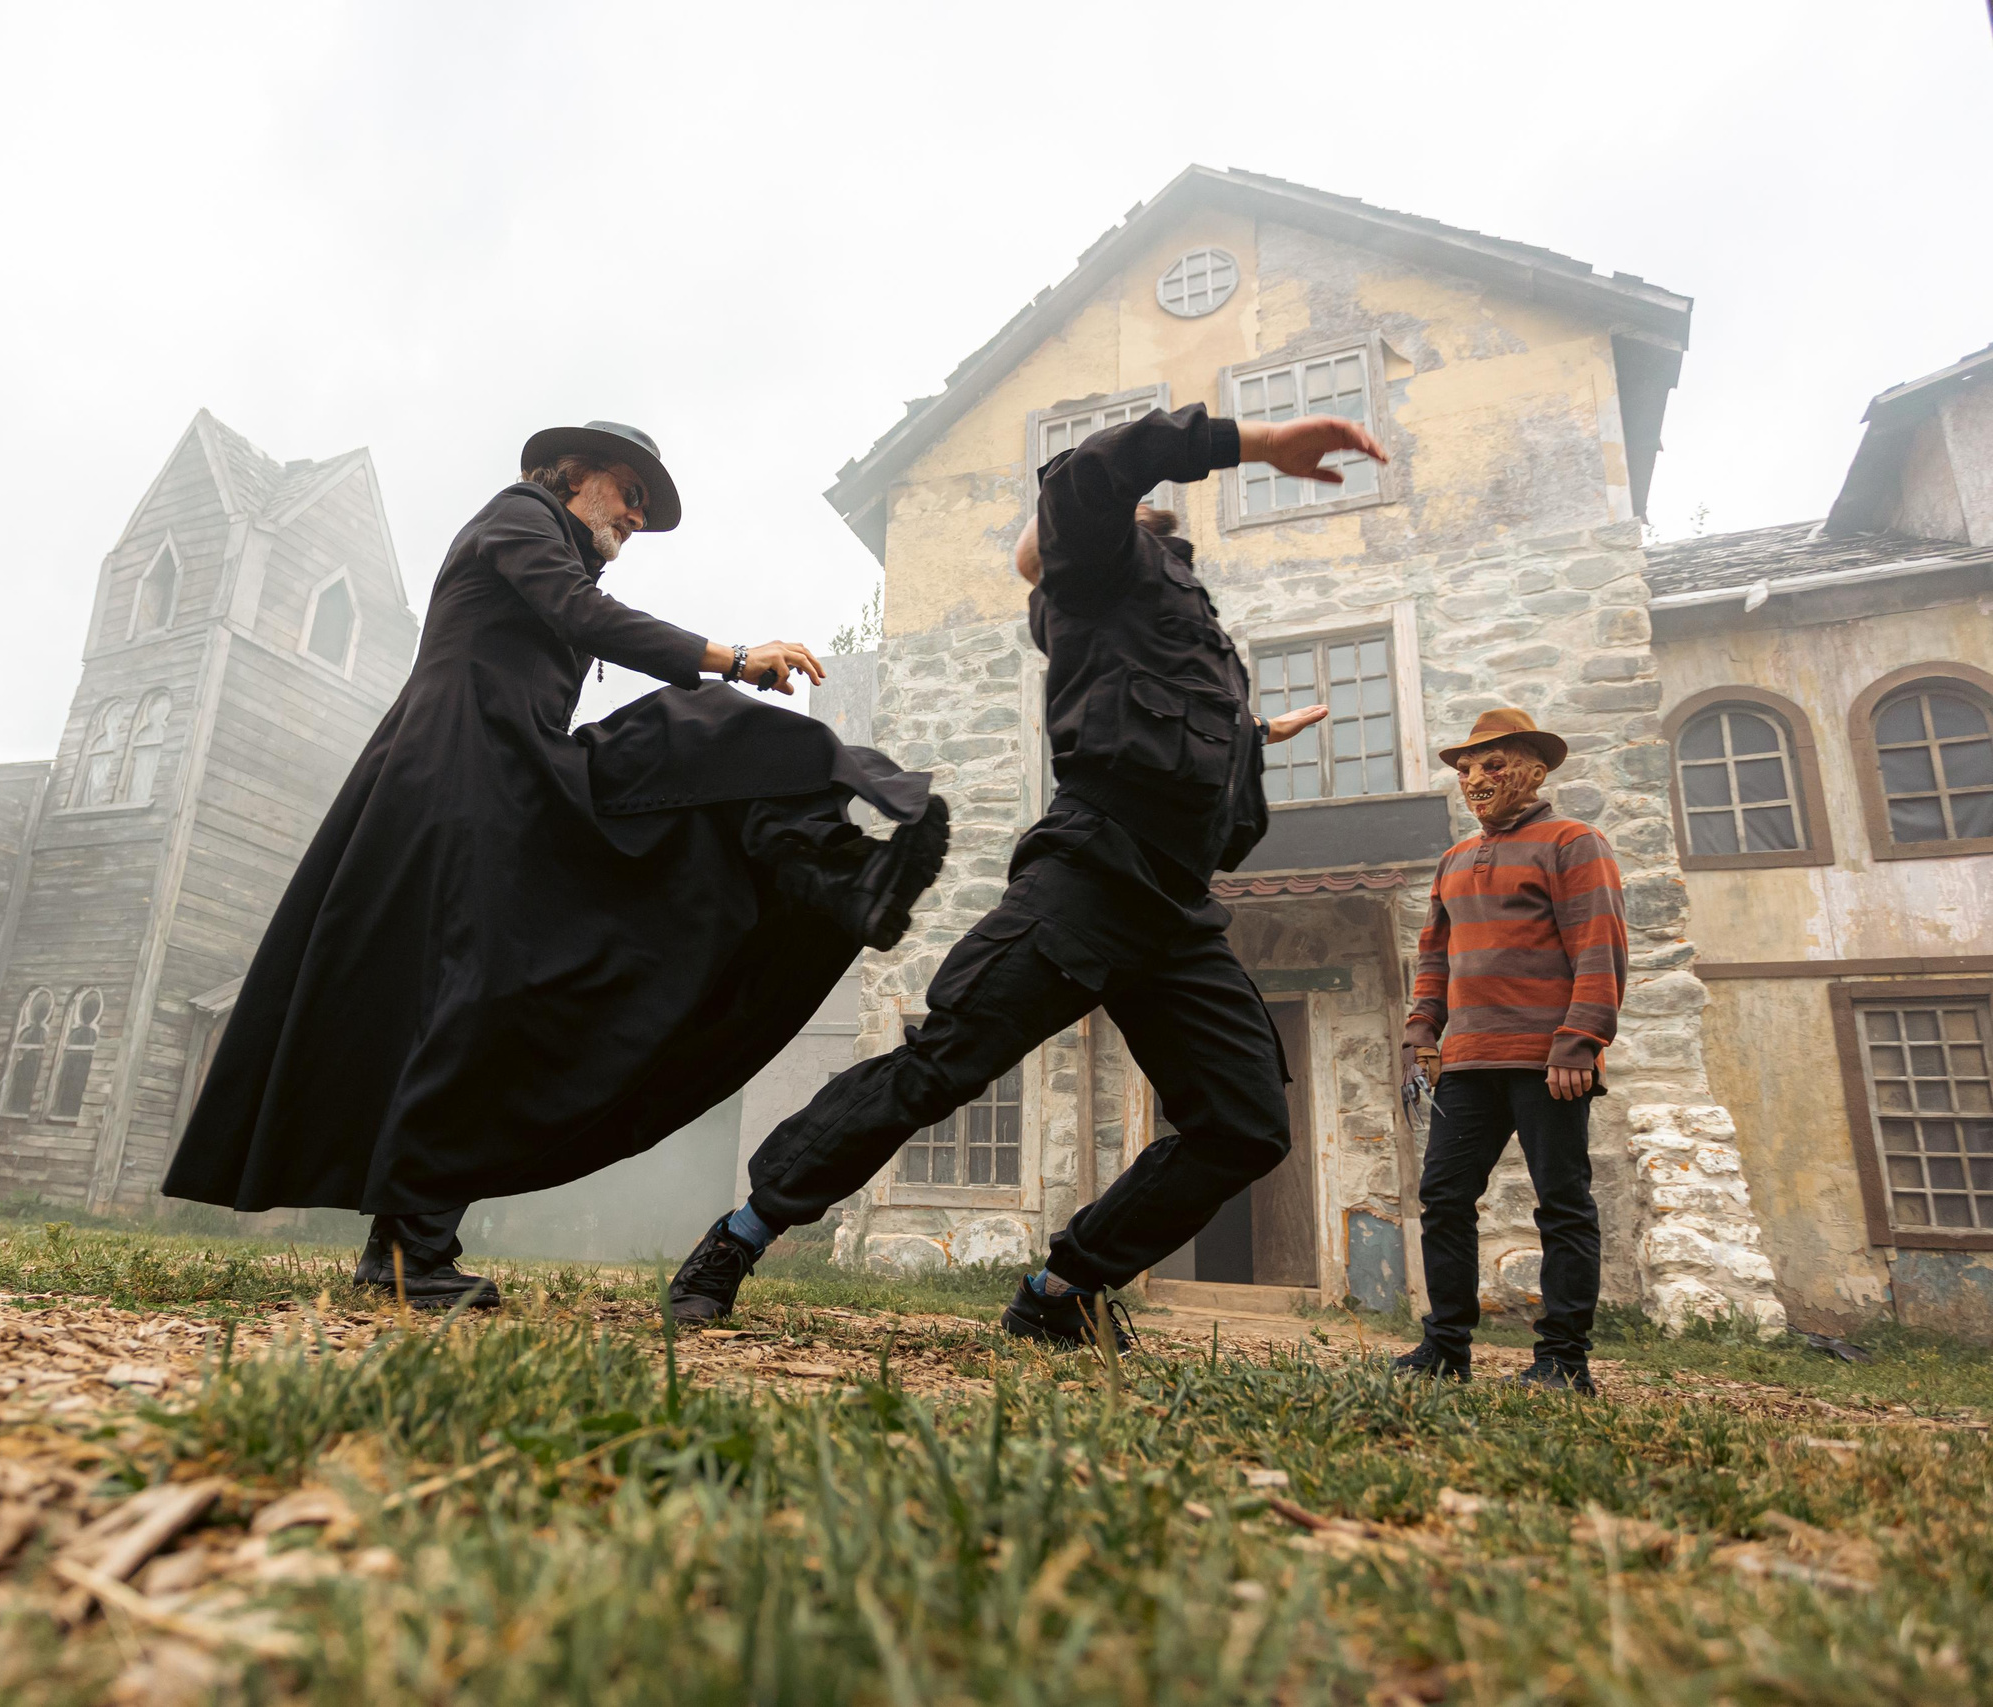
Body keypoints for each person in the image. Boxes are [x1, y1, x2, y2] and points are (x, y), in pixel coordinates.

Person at [162, 421, 950, 1308]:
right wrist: (729, 657)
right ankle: (410, 1253)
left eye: (644, 507)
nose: (635, 516)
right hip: (458, 771)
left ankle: (816, 860)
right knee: (475, 992)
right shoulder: (519, 516)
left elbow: (580, 620)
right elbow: (582, 616)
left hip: (520, 768)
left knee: (490, 974)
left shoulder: (560, 544)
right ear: (574, 474)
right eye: (629, 492)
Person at [665, 403, 1382, 1346]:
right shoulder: (1096, 568)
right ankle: (739, 1235)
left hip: (1173, 912)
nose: (1031, 546)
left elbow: (1177, 732)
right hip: (1086, 882)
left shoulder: (1176, 610)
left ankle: (1060, 1290)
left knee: (1245, 1122)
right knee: (943, 1064)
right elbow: (1087, 473)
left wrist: (1254, 737)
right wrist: (1252, 443)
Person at [1394, 708, 1627, 1395]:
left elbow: (1599, 945)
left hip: (1549, 1061)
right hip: (1466, 1060)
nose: (1476, 780)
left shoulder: (1574, 841)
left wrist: (1579, 1040)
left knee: (1561, 1201)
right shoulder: (1454, 860)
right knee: (1443, 1195)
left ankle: (1563, 1359)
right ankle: (1445, 1347)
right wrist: (1420, 1035)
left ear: (1531, 768)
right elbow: (1433, 956)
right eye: (1466, 770)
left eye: (1492, 765)